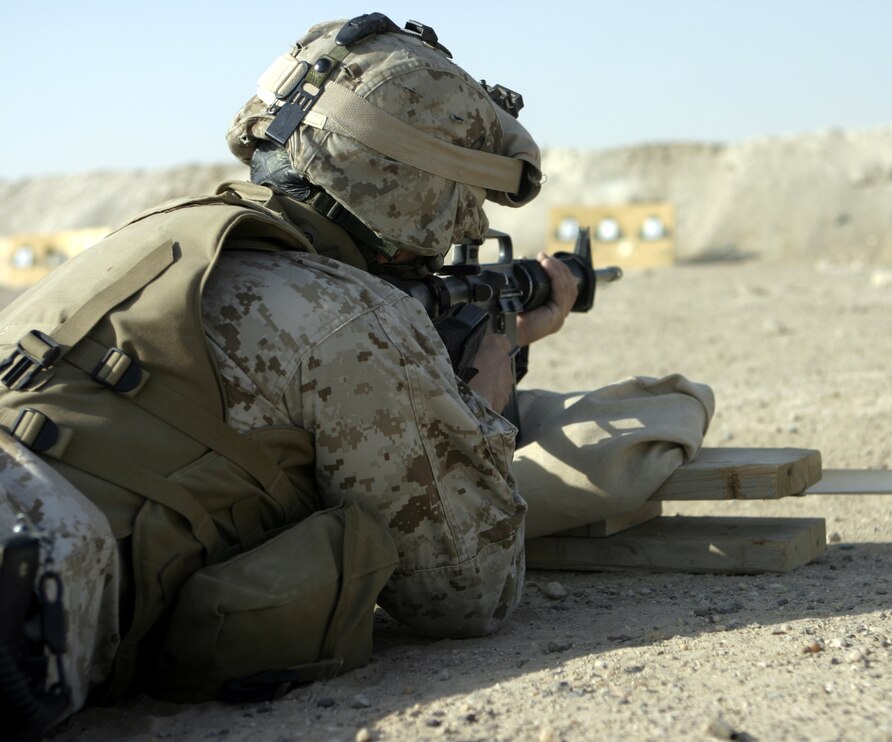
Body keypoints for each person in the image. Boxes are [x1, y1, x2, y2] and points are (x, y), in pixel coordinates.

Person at [0, 12, 713, 732]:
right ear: (420, 188)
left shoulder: (147, 240)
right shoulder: (351, 315)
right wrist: (487, 399)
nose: (463, 227)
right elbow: (471, 591)